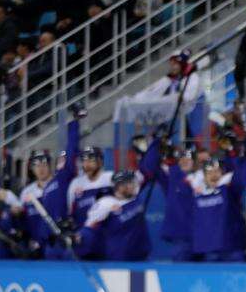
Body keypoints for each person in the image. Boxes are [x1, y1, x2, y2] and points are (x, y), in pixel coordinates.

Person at [19, 111, 82, 259]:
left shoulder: (60, 180)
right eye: (36, 165)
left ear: (50, 165)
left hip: (65, 242)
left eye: (44, 164)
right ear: (31, 168)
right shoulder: (29, 192)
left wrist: (74, 124)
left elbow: (72, 151)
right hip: (47, 245)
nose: (41, 168)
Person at [77, 170, 151, 261]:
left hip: (141, 256)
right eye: (129, 183)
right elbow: (90, 226)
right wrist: (79, 237)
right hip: (118, 258)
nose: (133, 186)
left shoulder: (136, 198)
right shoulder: (105, 203)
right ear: (119, 186)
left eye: (133, 182)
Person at [67, 146, 113, 229]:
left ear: (100, 161)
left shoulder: (111, 178)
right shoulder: (75, 184)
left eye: (91, 159)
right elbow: (71, 212)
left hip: (108, 235)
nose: (87, 164)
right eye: (84, 160)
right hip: (85, 236)